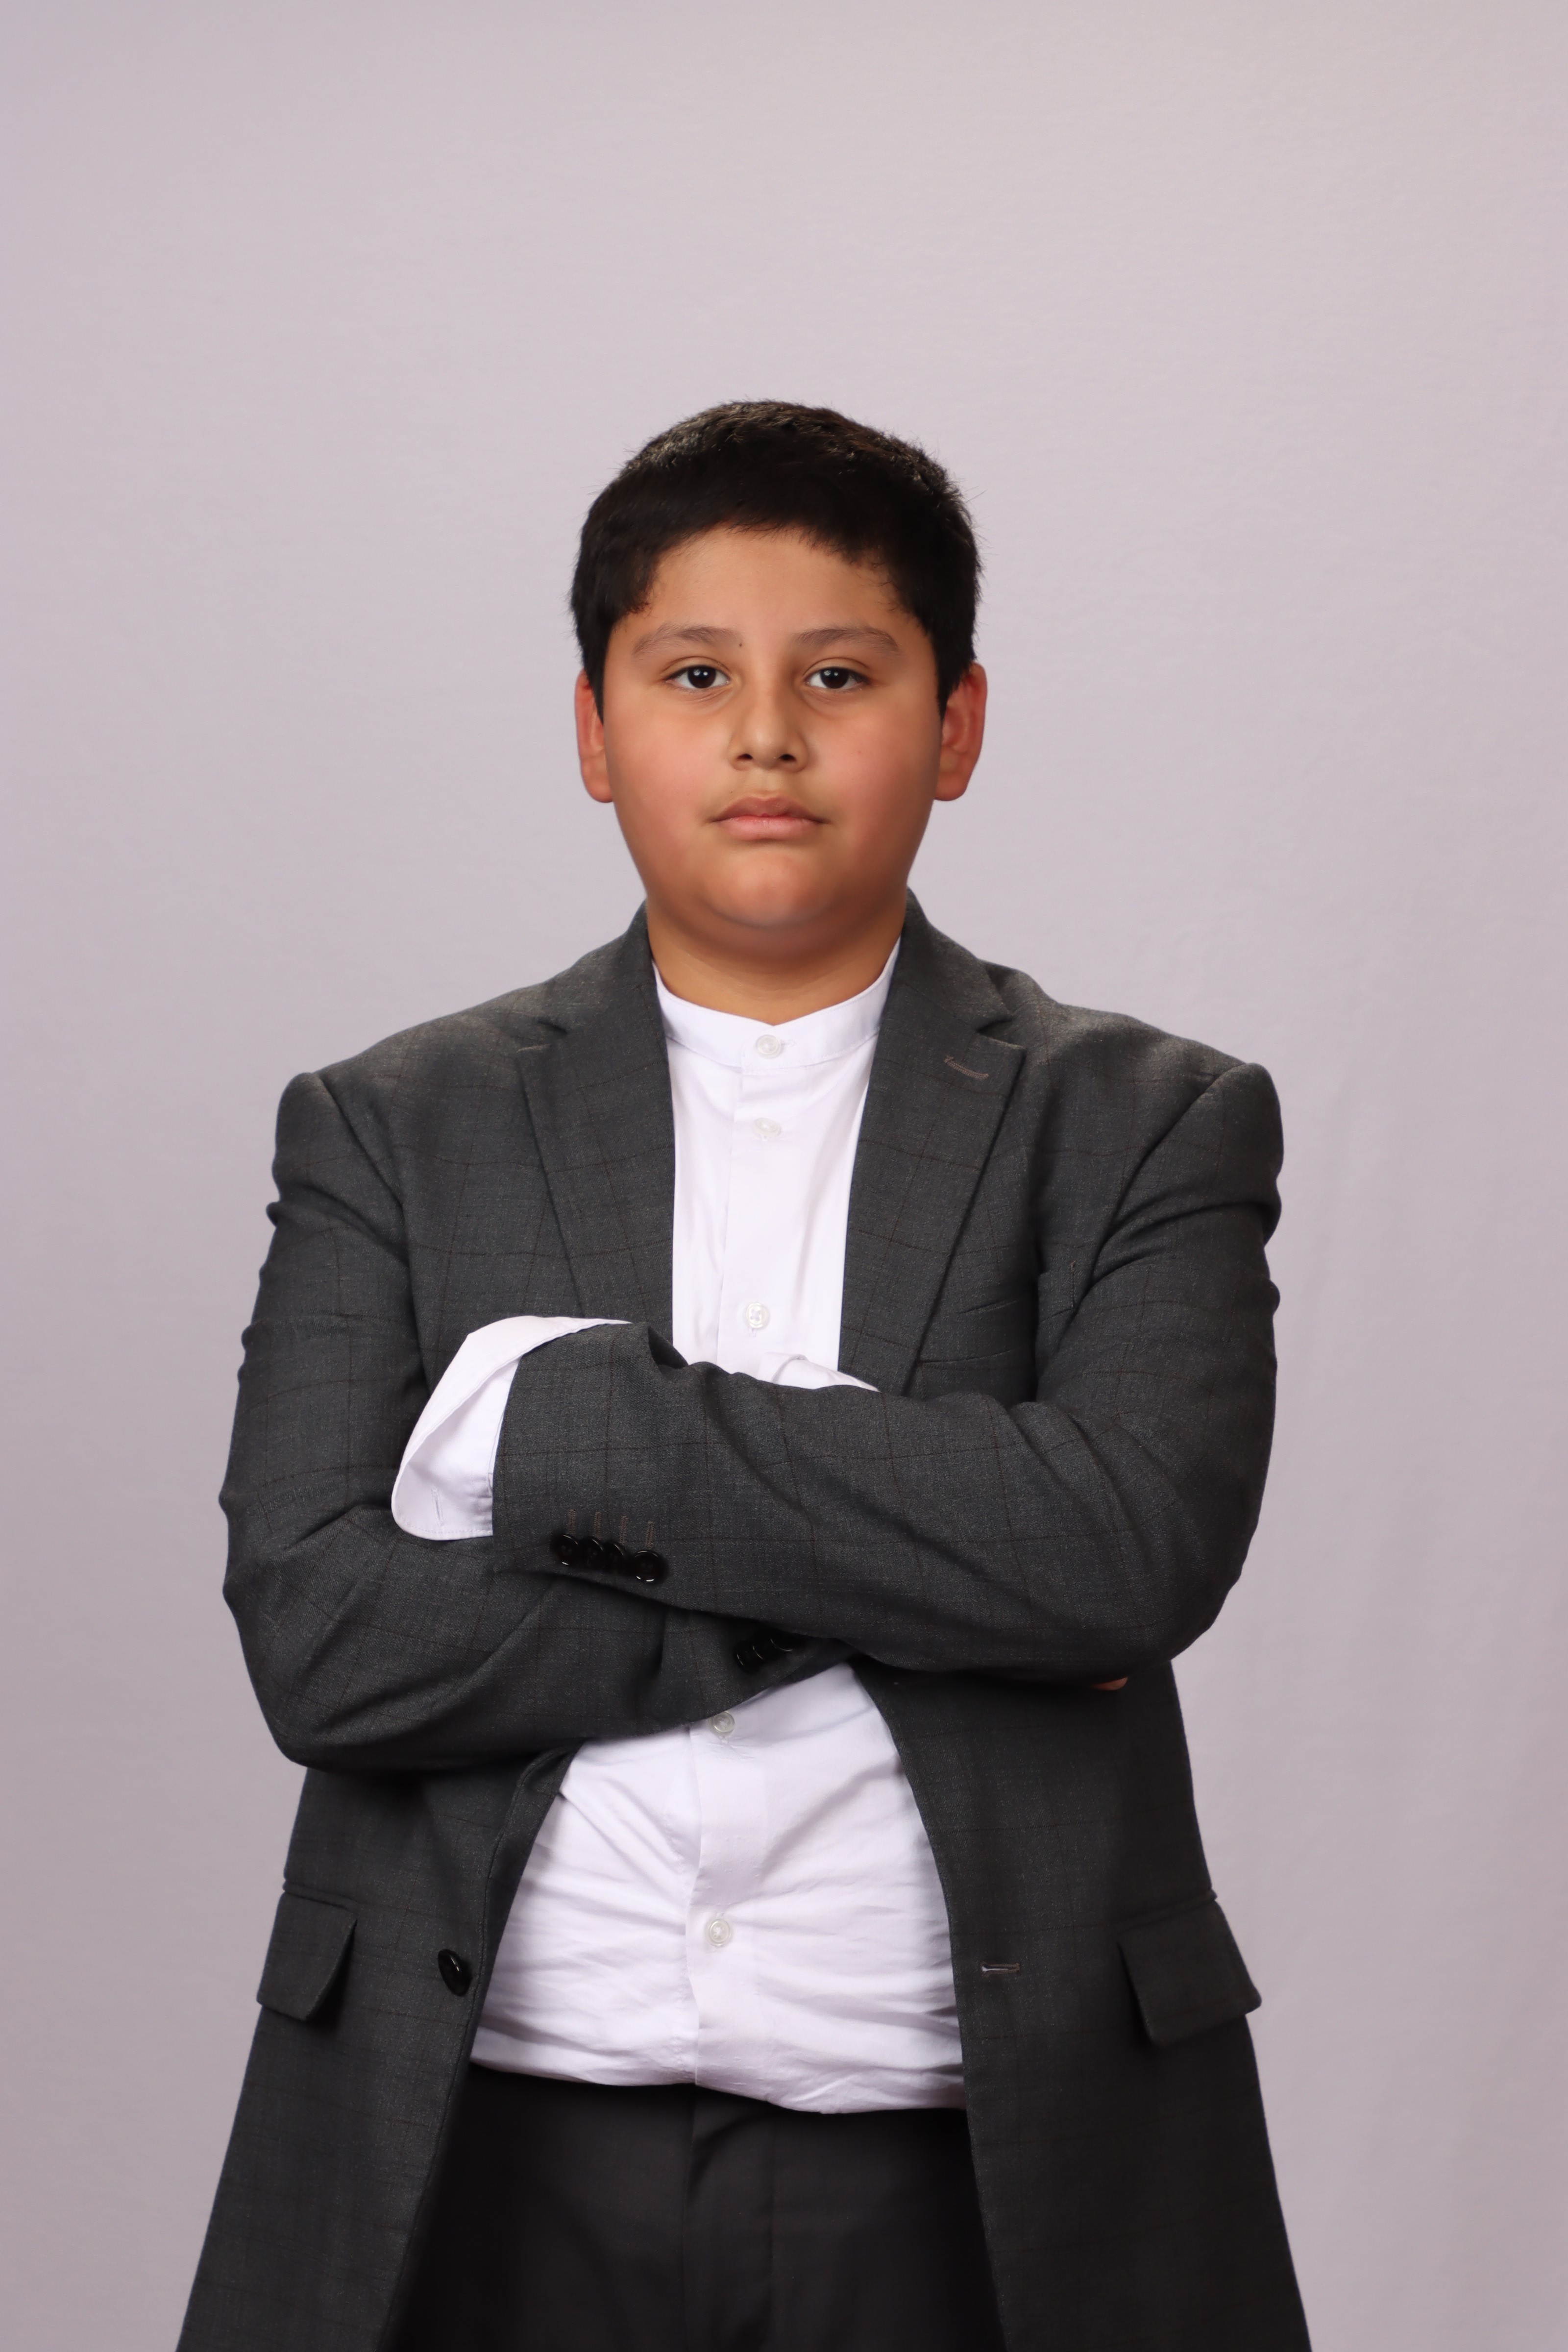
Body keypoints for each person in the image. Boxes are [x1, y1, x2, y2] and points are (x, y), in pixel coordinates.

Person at [180, 402, 1310, 2352]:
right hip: (475, 2139)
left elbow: (1126, 1551)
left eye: (839, 676)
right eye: (695, 674)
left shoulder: (1146, 1121)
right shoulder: (393, 1125)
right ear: (594, 727)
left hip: (981, 2169)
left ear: (954, 727)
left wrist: (570, 1438)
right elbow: (325, 1642)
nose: (766, 735)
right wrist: (931, 1569)